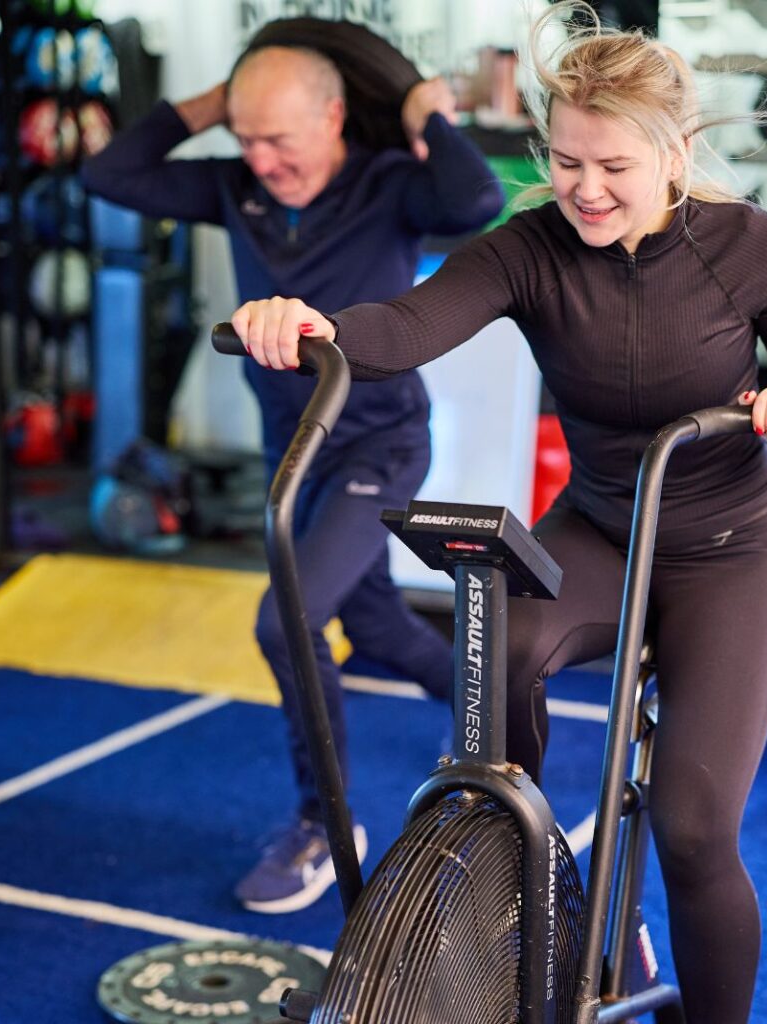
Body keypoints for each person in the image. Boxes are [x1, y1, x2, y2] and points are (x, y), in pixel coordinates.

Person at [229, 4, 767, 1021]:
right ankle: (524, 870)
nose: (586, 188)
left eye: (612, 165)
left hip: (727, 547)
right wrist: (311, 324)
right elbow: (402, 325)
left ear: (673, 150)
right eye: (566, 161)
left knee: (694, 827)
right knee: (501, 650)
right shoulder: (530, 248)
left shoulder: (752, 248)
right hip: (603, 527)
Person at [81, 17, 505, 914]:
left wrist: (428, 109)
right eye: (246, 137)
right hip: (295, 447)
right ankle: (497, 707)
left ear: (336, 115)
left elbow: (475, 202)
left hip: (378, 440)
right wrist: (219, 102)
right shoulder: (238, 187)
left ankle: (324, 822)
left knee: (287, 624)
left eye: (280, 136)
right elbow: (109, 173)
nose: (263, 158)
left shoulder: (393, 184)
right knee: (379, 627)